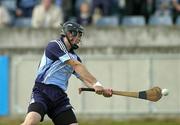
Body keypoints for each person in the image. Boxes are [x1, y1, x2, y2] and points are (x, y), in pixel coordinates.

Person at [21, 21, 112, 125]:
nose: (79, 39)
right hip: (42, 92)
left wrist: (102, 90)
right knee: (31, 121)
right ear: (70, 34)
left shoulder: (75, 57)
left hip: (59, 97)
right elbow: (76, 65)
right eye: (78, 35)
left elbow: (84, 78)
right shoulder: (55, 45)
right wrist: (97, 83)